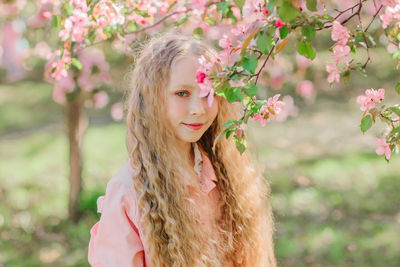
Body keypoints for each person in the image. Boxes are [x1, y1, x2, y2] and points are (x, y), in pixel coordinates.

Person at [88, 31, 277, 267]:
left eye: (208, 93)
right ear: (152, 98)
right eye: (182, 93)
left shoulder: (224, 172)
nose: (198, 109)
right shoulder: (128, 191)